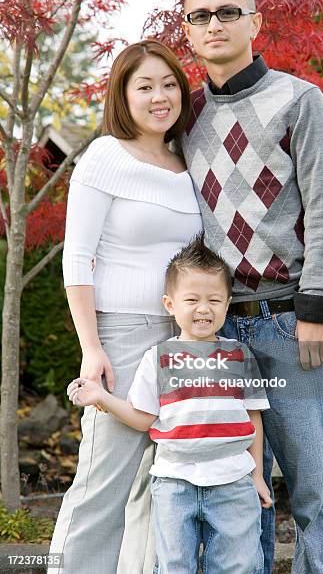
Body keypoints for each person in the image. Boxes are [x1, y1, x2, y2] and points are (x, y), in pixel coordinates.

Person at [180, 0, 323, 574]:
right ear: (189, 32)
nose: (215, 24)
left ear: (255, 24)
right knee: (232, 495)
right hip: (214, 333)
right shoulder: (184, 114)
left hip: (287, 321)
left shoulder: (299, 99)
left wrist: (317, 310)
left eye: (228, 13)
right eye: (201, 16)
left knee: (317, 494)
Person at [49, 41, 202, 574]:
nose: (160, 96)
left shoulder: (187, 162)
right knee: (102, 485)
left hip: (181, 339)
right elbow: (77, 259)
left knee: (160, 486)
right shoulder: (105, 155)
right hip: (121, 336)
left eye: (168, 84)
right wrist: (92, 348)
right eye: (145, 86)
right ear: (123, 94)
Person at [67, 236, 273, 574]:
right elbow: (143, 418)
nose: (203, 308)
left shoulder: (240, 356)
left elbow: (253, 417)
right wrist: (102, 397)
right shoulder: (159, 359)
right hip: (174, 482)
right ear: (170, 303)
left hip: (233, 480)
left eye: (214, 300)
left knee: (239, 564)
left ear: (227, 304)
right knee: (174, 565)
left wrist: (258, 475)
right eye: (191, 299)